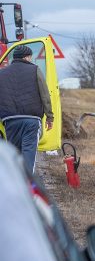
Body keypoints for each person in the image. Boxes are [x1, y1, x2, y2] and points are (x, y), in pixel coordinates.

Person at [0, 45, 54, 175]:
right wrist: (50, 117)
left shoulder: (2, 73)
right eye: (30, 57)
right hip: (31, 121)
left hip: (10, 121)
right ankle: (29, 189)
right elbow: (45, 95)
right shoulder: (34, 70)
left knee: (14, 156)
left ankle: (16, 186)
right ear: (27, 57)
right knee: (29, 155)